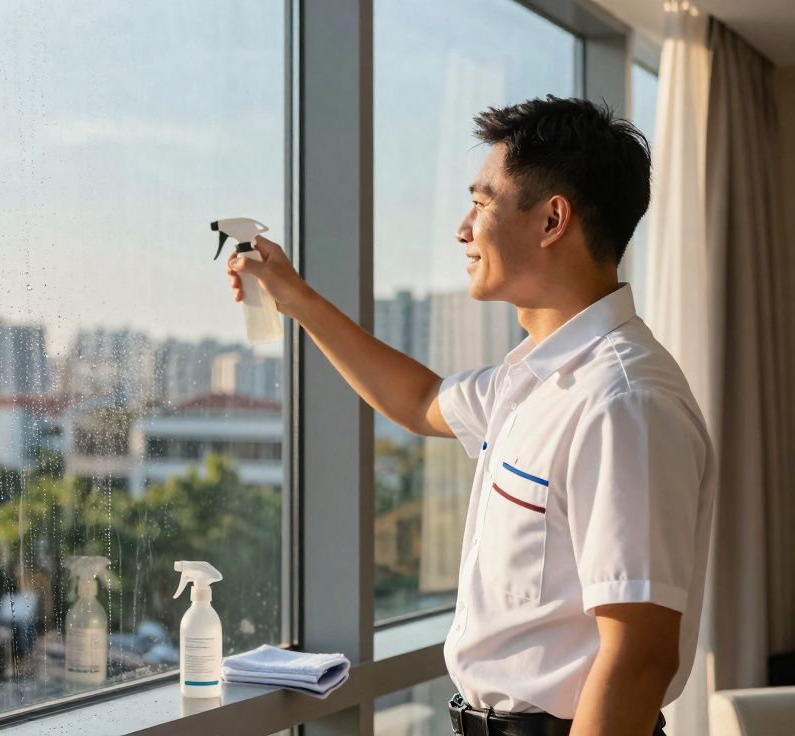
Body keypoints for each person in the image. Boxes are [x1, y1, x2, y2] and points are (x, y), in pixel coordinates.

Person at [227, 95, 716, 736]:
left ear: (551, 220)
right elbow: (420, 401)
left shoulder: (623, 402)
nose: (463, 227)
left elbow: (638, 655)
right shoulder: (531, 382)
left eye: (482, 203)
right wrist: (296, 300)